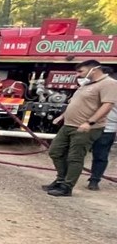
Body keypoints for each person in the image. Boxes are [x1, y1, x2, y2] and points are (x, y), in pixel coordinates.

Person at [44, 59, 117, 197]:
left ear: (94, 69)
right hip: (68, 125)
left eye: (80, 71)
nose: (78, 74)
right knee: (55, 151)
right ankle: (60, 180)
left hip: (85, 128)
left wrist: (90, 123)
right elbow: (76, 102)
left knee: (75, 157)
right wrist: (62, 116)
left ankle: (67, 186)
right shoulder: (86, 84)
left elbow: (107, 105)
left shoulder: (109, 84)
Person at [87, 67, 116, 191]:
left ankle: (94, 180)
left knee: (100, 155)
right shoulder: (92, 87)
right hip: (89, 126)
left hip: (106, 128)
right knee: (75, 154)